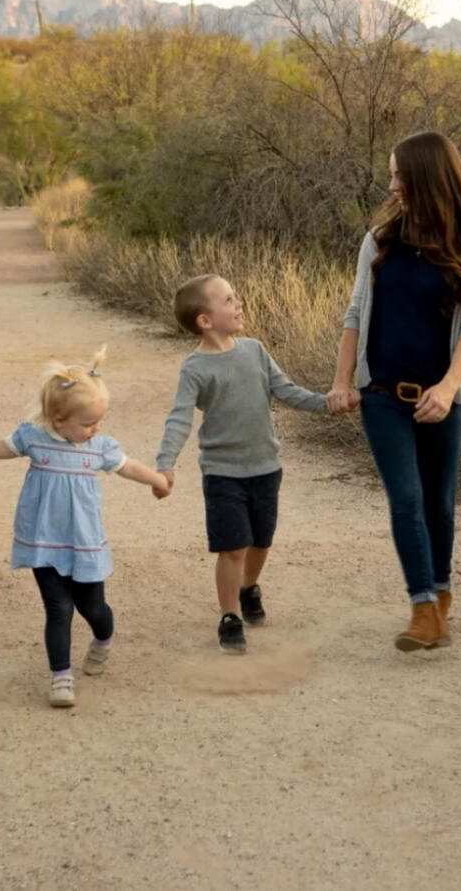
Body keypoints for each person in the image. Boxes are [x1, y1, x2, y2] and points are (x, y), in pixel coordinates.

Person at [327, 131, 461, 652]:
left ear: (425, 177)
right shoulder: (379, 242)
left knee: (439, 505)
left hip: (441, 397)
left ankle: (441, 595)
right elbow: (356, 315)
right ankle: (422, 607)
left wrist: (450, 388)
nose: (391, 184)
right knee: (406, 497)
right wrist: (343, 380)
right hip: (382, 393)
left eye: (399, 175)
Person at [0, 348, 170, 708]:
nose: (96, 429)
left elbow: (128, 467)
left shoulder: (99, 447)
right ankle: (61, 677)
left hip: (84, 543)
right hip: (44, 542)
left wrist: (157, 481)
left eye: (99, 421)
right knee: (58, 608)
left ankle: (103, 639)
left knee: (94, 608)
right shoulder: (35, 439)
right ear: (57, 419)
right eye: (88, 423)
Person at [156, 275, 350, 654]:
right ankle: (230, 616)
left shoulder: (255, 351)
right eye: (228, 299)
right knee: (232, 547)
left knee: (261, 541)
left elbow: (286, 390)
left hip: (265, 467)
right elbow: (179, 418)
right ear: (205, 321)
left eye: (236, 296)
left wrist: (326, 403)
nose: (238, 303)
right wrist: (165, 464)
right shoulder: (195, 369)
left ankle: (248, 587)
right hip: (222, 473)